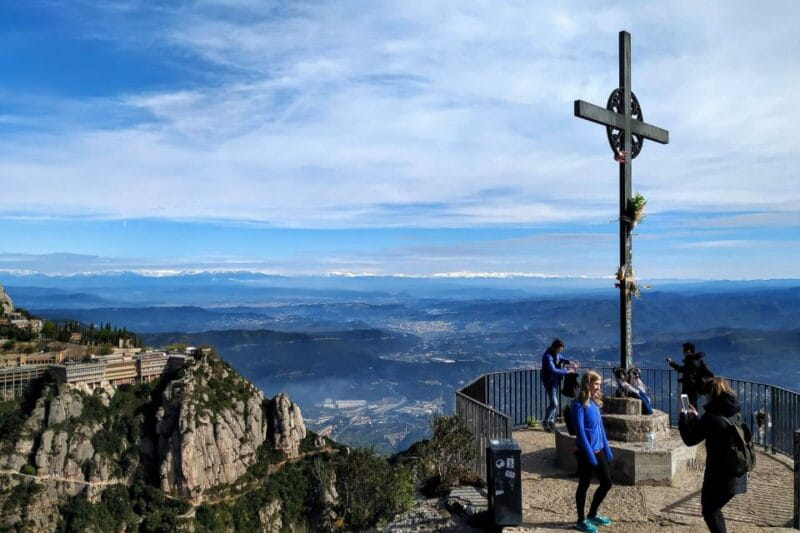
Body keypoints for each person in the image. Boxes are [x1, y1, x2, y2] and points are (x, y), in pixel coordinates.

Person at [678, 377, 748, 533]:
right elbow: (717, 429)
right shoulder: (733, 412)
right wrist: (697, 417)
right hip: (738, 469)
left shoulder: (710, 417)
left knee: (710, 510)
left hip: (719, 474)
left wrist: (683, 418)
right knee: (714, 509)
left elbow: (690, 439)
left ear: (710, 394)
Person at [570, 370, 613, 533]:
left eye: (599, 384)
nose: (598, 387)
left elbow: (599, 427)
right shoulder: (578, 405)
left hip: (598, 449)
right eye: (596, 384)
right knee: (584, 484)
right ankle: (581, 520)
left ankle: (592, 514)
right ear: (587, 383)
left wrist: (606, 448)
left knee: (607, 483)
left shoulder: (594, 403)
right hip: (584, 451)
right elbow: (580, 432)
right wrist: (589, 453)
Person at [540, 338, 575, 431]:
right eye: (559, 349)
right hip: (549, 382)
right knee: (554, 403)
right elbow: (553, 370)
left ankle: (551, 421)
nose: (560, 351)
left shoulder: (555, 353)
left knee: (554, 403)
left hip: (555, 381)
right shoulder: (548, 357)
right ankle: (545, 421)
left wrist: (568, 362)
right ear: (555, 348)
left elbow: (560, 357)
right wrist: (566, 371)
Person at [666, 342, 713, 408]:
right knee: (692, 408)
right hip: (694, 391)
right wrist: (671, 362)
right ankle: (691, 417)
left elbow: (689, 377)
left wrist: (683, 380)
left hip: (689, 391)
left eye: (684, 350)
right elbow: (682, 369)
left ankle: (688, 417)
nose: (683, 352)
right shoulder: (696, 361)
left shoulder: (691, 363)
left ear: (689, 351)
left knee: (688, 408)